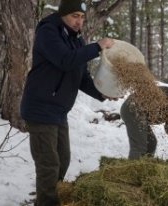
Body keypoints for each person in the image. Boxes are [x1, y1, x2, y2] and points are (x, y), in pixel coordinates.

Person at [20, 0, 115, 205]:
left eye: (81, 17)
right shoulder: (48, 32)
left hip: (59, 110)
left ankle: (51, 197)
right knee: (49, 164)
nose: (78, 21)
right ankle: (47, 202)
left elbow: (81, 77)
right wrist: (97, 46)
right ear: (63, 15)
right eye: (74, 16)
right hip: (40, 108)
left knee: (63, 160)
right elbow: (65, 60)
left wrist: (102, 93)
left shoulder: (77, 42)